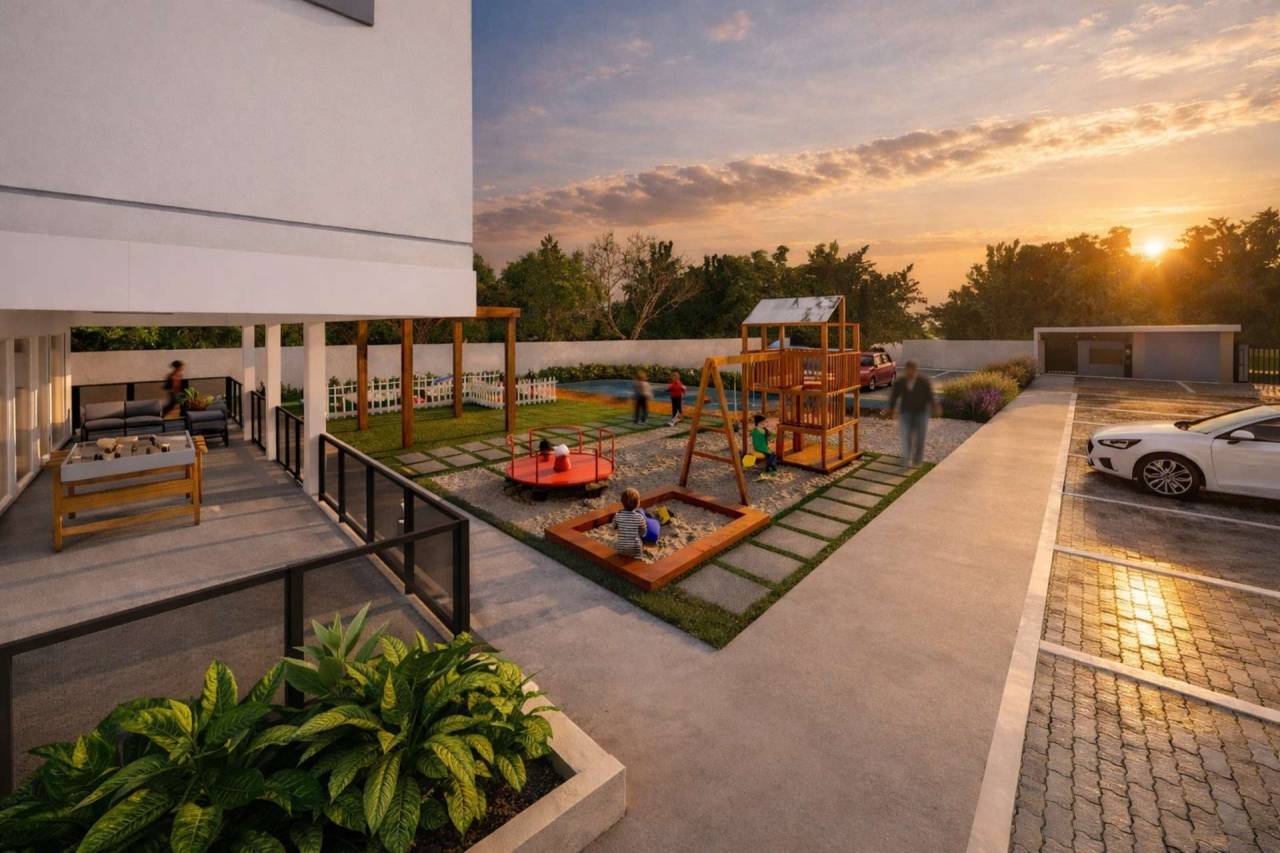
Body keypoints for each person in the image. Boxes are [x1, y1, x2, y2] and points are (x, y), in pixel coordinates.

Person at [888, 359, 939, 468]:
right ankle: (906, 459)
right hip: (906, 413)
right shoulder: (900, 382)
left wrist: (935, 407)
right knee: (906, 436)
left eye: (912, 370)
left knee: (920, 438)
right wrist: (891, 410)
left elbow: (930, 395)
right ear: (906, 370)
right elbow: (894, 397)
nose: (910, 372)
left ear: (915, 370)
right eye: (908, 370)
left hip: (921, 413)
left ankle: (917, 459)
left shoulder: (923, 381)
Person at [614, 487, 646, 558]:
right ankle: (638, 557)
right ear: (638, 503)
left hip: (621, 547)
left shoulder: (618, 515)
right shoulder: (640, 517)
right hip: (635, 548)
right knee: (639, 544)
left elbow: (613, 526)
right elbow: (643, 532)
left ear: (622, 502)